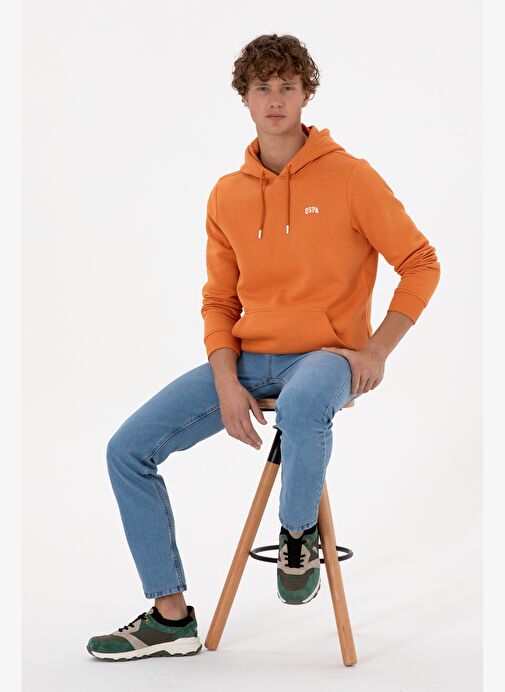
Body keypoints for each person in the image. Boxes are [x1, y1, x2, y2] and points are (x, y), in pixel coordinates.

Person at [87, 33, 441, 661]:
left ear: (306, 95)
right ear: (245, 98)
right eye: (262, 87)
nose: (275, 99)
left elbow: (420, 262)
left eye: (287, 86)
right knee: (127, 449)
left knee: (304, 403)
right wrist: (226, 381)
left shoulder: (351, 178)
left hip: (326, 357)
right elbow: (219, 302)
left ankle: (297, 538)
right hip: (249, 360)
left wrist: (377, 351)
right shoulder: (227, 193)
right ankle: (170, 617)